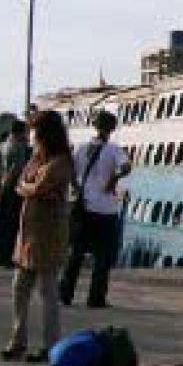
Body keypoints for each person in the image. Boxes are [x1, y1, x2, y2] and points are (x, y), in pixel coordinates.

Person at [3, 110, 74, 363]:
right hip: (29, 233)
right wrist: (30, 187)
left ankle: (50, 345)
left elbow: (38, 187)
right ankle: (18, 340)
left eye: (35, 132)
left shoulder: (61, 161)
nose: (32, 137)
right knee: (19, 287)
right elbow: (21, 183)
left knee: (47, 291)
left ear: (46, 134)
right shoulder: (37, 157)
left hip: (48, 233)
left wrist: (29, 188)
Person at [59, 110, 131, 308]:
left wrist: (77, 187)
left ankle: (65, 293)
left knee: (76, 252)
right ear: (112, 128)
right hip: (106, 210)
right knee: (102, 256)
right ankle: (96, 298)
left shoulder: (81, 148)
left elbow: (70, 170)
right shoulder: (114, 149)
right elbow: (126, 167)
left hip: (84, 207)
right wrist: (114, 179)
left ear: (95, 126)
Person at [0, 120, 31, 267]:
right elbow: (17, 169)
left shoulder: (2, 146)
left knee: (0, 223)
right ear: (20, 132)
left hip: (1, 189)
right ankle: (8, 256)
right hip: (14, 189)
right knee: (13, 224)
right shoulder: (19, 146)